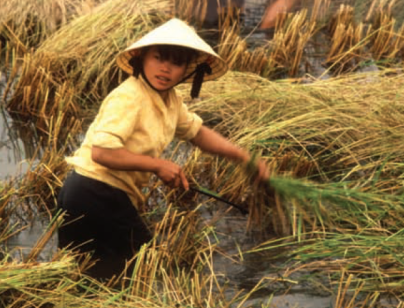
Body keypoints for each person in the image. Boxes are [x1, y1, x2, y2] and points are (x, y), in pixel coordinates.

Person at [57, 18, 269, 281]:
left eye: (176, 62)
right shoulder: (129, 96)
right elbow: (102, 153)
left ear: (188, 70)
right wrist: (158, 166)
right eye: (159, 58)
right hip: (93, 190)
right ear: (141, 58)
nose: (165, 69)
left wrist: (243, 156)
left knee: (90, 275)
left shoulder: (170, 100)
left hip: (100, 195)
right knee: (145, 266)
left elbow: (198, 133)